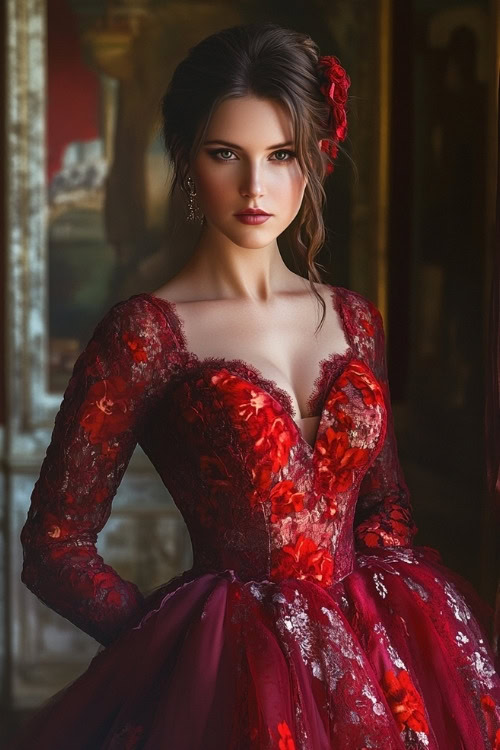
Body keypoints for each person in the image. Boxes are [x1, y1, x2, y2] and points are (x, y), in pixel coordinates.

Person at [8, 22, 500, 750]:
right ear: (186, 159)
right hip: (230, 688)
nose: (255, 187)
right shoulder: (145, 334)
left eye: (281, 156)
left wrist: (373, 640)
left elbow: (385, 512)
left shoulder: (356, 321)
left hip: (374, 671)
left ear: (315, 160)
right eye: (224, 155)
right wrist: (174, 645)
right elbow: (55, 545)